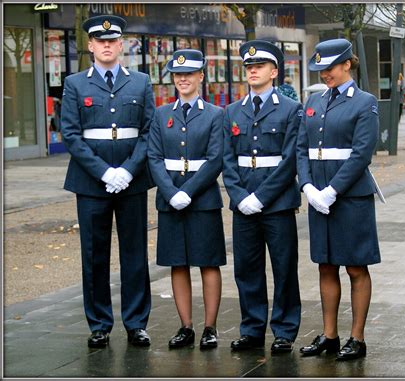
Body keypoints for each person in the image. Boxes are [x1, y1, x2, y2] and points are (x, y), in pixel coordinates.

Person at [61, 15, 154, 348]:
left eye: (112, 41)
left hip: (133, 179)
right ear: (90, 46)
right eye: (100, 41)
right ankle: (99, 324)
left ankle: (136, 323)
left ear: (121, 44)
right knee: (94, 254)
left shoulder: (140, 82)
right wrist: (104, 171)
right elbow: (70, 134)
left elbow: (148, 132)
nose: (106, 45)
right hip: (90, 182)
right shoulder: (74, 84)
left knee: (134, 253)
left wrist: (128, 170)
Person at [296, 38, 381, 361]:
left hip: (350, 197)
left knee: (356, 267)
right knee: (326, 265)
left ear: (347, 64)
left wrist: (333, 190)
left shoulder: (365, 102)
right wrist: (307, 186)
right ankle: (330, 335)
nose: (324, 74)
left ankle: (356, 337)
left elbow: (361, 154)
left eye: (329, 68)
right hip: (318, 195)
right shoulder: (314, 102)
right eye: (320, 69)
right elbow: (301, 148)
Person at [222, 40, 303, 353]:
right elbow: (227, 160)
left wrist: (262, 197)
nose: (252, 71)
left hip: (278, 203)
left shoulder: (290, 109)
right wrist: (240, 196)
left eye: (259, 66)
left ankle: (284, 329)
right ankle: (252, 328)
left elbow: (290, 160)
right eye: (249, 67)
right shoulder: (232, 111)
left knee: (283, 267)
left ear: (274, 72)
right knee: (247, 268)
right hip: (243, 203)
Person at [147, 49, 226, 349]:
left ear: (201, 77)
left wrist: (188, 192)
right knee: (177, 263)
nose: (182, 79)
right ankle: (186, 326)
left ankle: (210, 327)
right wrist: (170, 192)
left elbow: (215, 158)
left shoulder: (215, 114)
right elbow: (154, 157)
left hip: (203, 199)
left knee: (207, 263)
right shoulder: (161, 113)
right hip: (169, 200)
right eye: (178, 75)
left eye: (189, 74)